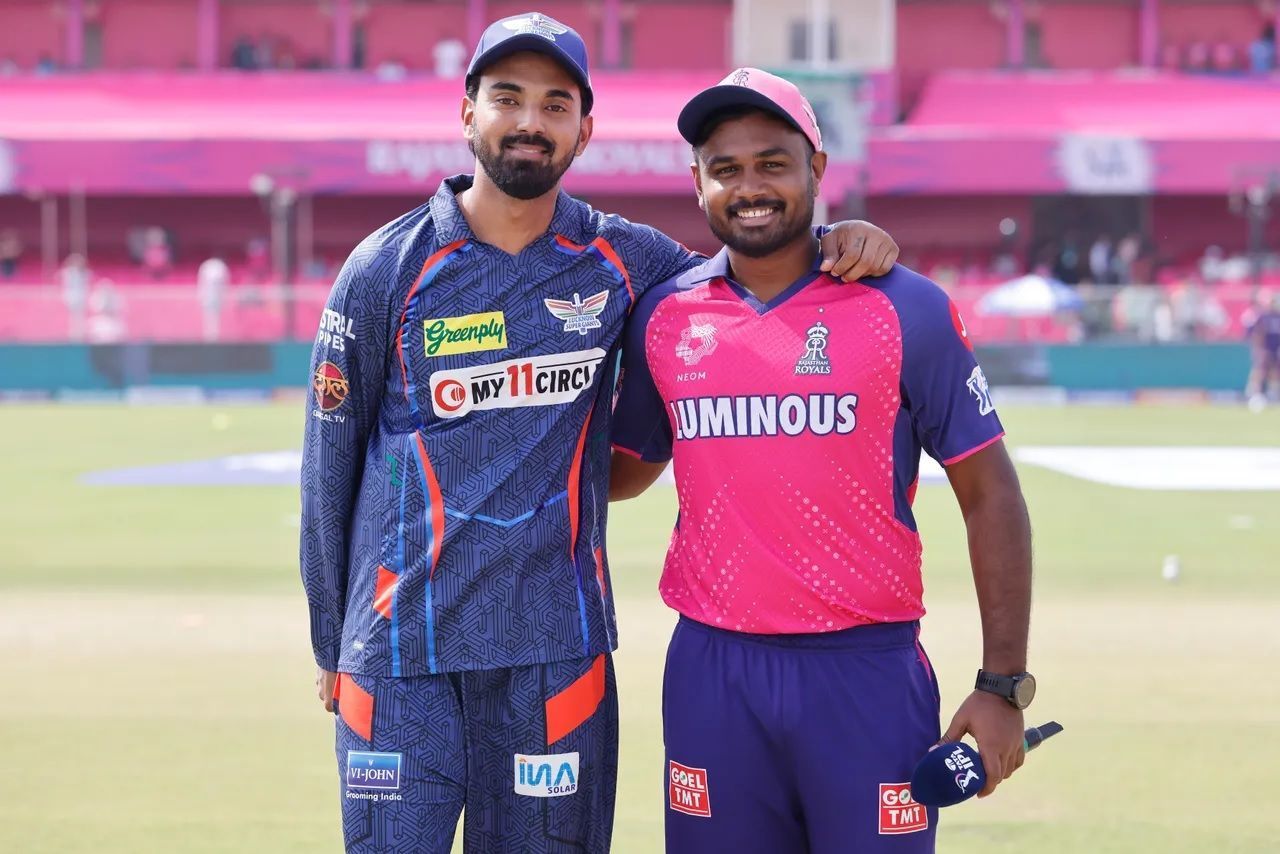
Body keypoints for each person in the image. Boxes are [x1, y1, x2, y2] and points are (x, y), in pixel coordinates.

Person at [300, 13, 901, 854]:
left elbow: (747, 263)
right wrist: (331, 640)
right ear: (466, 112)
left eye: (555, 105)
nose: (529, 121)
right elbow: (327, 471)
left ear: (585, 129)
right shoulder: (383, 269)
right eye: (507, 98)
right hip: (399, 659)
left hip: (557, 655)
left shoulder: (630, 262)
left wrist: (834, 239)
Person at [608, 69, 1034, 854]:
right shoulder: (665, 317)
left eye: (772, 162)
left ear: (818, 169)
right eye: (725, 168)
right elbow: (624, 471)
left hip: (864, 672)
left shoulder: (904, 306)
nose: (750, 187)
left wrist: (1003, 683)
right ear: (697, 182)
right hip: (713, 669)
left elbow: (990, 491)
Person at [1244, 290, 1280, 411]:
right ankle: (1252, 393)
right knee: (1259, 370)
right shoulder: (1263, 316)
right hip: (1264, 349)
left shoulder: (1278, 316)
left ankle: (1273, 393)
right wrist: (1259, 349)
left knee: (1275, 371)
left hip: (1276, 349)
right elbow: (1257, 333)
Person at [196, 254, 230, 341]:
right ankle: (208, 335)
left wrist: (224, 295)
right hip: (208, 294)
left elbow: (225, 283)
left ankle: (216, 335)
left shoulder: (221, 267)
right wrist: (201, 294)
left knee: (216, 315)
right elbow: (202, 282)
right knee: (208, 315)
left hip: (218, 294)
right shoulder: (207, 266)